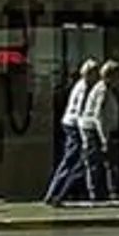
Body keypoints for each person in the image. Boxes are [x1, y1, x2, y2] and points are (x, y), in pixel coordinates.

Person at [42, 61, 101, 207]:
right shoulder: (84, 88)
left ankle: (59, 193)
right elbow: (80, 112)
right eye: (95, 74)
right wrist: (84, 134)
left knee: (75, 161)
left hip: (71, 123)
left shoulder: (81, 85)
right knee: (70, 160)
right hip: (74, 126)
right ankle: (54, 194)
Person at [81, 57, 119, 201]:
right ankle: (97, 193)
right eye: (118, 78)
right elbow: (99, 115)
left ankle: (105, 191)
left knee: (106, 162)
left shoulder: (105, 89)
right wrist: (104, 138)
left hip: (100, 130)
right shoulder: (102, 90)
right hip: (94, 130)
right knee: (96, 162)